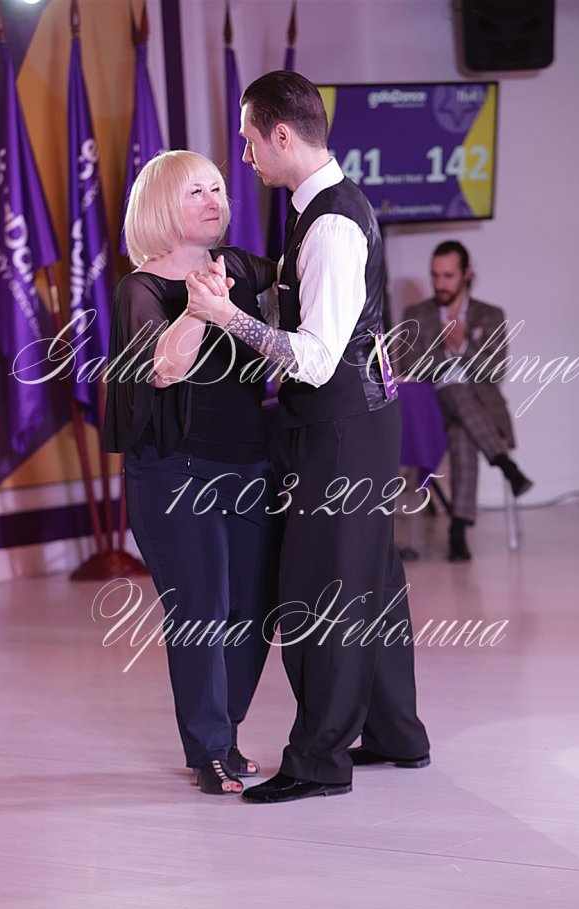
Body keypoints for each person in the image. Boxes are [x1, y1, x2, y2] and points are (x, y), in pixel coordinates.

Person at [186, 71, 430, 805]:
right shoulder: (324, 207)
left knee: (323, 590)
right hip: (356, 419)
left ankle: (320, 760)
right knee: (371, 582)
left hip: (339, 425)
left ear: (282, 135)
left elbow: (316, 358)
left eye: (249, 139)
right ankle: (395, 732)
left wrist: (228, 318)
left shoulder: (329, 224)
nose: (245, 155)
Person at [102, 151, 278, 795]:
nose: (214, 200)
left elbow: (305, 277)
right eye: (195, 191)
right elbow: (163, 369)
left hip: (249, 463)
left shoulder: (240, 267)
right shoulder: (140, 289)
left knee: (254, 606)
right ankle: (210, 748)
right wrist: (201, 308)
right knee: (201, 606)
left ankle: (224, 732)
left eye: (219, 189)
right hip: (174, 472)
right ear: (159, 206)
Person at [401, 241, 533, 562]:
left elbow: (496, 371)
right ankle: (505, 465)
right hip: (431, 410)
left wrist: (463, 348)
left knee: (462, 435)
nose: (440, 284)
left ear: (467, 274)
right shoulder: (416, 315)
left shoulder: (490, 315)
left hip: (478, 415)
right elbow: (408, 369)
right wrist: (448, 354)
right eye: (435, 276)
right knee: (454, 388)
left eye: (448, 276)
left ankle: (457, 532)